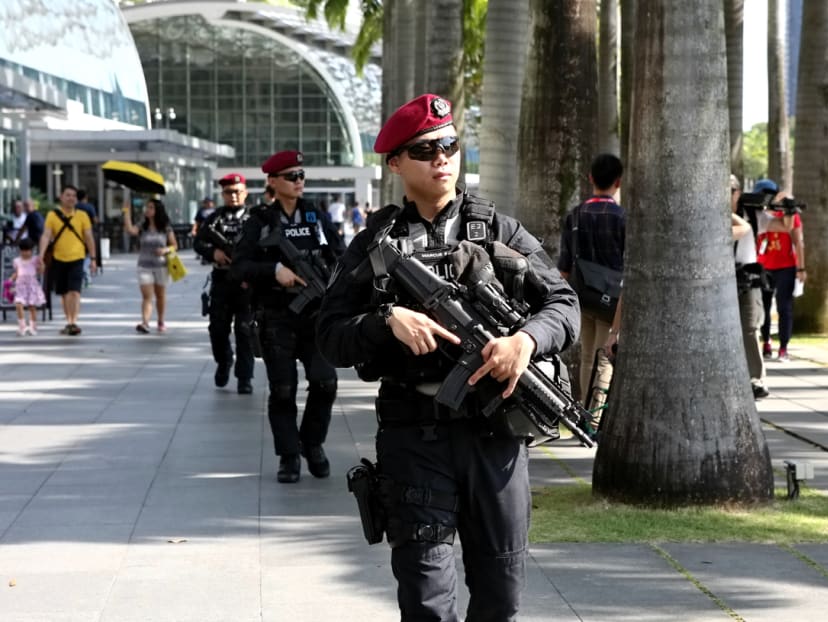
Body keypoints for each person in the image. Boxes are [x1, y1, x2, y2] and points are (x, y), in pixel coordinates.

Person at [316, 94, 579, 621]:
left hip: (495, 439)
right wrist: (386, 321)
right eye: (424, 149)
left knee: (501, 596)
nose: (441, 158)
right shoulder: (374, 245)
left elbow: (564, 305)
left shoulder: (499, 231)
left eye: (449, 145)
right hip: (415, 438)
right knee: (426, 602)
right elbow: (329, 334)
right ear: (395, 163)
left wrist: (524, 342)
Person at [232, 151, 345, 483]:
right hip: (277, 314)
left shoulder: (315, 215)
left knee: (325, 383)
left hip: (315, 314)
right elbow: (239, 266)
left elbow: (340, 255)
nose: (299, 181)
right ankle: (289, 455)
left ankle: (312, 444)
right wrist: (274, 270)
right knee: (283, 389)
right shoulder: (259, 221)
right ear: (272, 182)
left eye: (301, 175)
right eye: (291, 176)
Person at [557, 153, 625, 411]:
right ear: (618, 182)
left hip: (582, 296)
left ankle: (585, 413)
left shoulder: (575, 214)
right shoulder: (621, 216)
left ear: (590, 178)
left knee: (587, 357)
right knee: (603, 357)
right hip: (613, 301)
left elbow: (564, 265)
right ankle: (594, 419)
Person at [194, 173, 255, 394]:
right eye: (229, 192)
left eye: (238, 191)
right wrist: (214, 252)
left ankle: (245, 377)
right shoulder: (215, 219)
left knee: (245, 331)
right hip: (222, 279)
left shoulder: (254, 218)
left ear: (245, 192)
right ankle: (224, 361)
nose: (234, 196)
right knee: (217, 329)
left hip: (247, 283)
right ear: (223, 194)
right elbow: (198, 242)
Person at [754, 179, 805, 362]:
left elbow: (797, 240)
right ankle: (766, 342)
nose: (767, 197)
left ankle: (783, 347)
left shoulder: (788, 214)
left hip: (785, 266)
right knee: (763, 308)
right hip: (763, 265)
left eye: (771, 193)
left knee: (784, 307)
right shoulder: (757, 214)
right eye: (763, 193)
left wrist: (801, 268)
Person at [37, 184, 97, 335]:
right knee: (64, 293)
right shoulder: (52, 215)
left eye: (74, 196)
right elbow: (46, 235)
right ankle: (68, 321)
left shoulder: (82, 216)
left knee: (75, 291)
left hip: (77, 258)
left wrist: (94, 258)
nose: (71, 198)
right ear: (61, 197)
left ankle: (73, 322)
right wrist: (41, 255)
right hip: (59, 258)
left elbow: (89, 237)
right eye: (68, 195)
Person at [731, 175, 768, 399]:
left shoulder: (752, 215)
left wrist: (788, 206)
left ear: (737, 193)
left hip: (748, 279)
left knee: (749, 329)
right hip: (723, 279)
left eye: (729, 191)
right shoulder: (712, 215)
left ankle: (756, 379)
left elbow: (782, 225)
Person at [122, 198, 178, 333]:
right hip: (144, 266)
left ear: (157, 210)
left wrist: (165, 250)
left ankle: (160, 321)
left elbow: (175, 246)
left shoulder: (165, 227)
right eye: (147, 207)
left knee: (160, 295)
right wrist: (126, 211)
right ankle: (145, 322)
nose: (147, 210)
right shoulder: (143, 225)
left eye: (151, 207)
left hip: (162, 266)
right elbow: (130, 230)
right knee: (147, 296)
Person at [10, 237, 46, 336]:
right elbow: (17, 273)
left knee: (32, 307)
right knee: (18, 304)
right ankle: (22, 325)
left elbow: (41, 271)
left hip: (32, 286)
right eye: (23, 251)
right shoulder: (17, 261)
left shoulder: (35, 260)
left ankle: (32, 326)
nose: (25, 253)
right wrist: (10, 280)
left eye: (27, 251)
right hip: (20, 285)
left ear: (31, 250)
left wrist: (42, 264)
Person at [76, 190, 98, 286]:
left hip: (75, 234)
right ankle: (85, 271)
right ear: (86, 197)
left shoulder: (75, 207)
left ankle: (81, 271)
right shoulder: (89, 207)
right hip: (87, 233)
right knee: (87, 253)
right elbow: (95, 220)